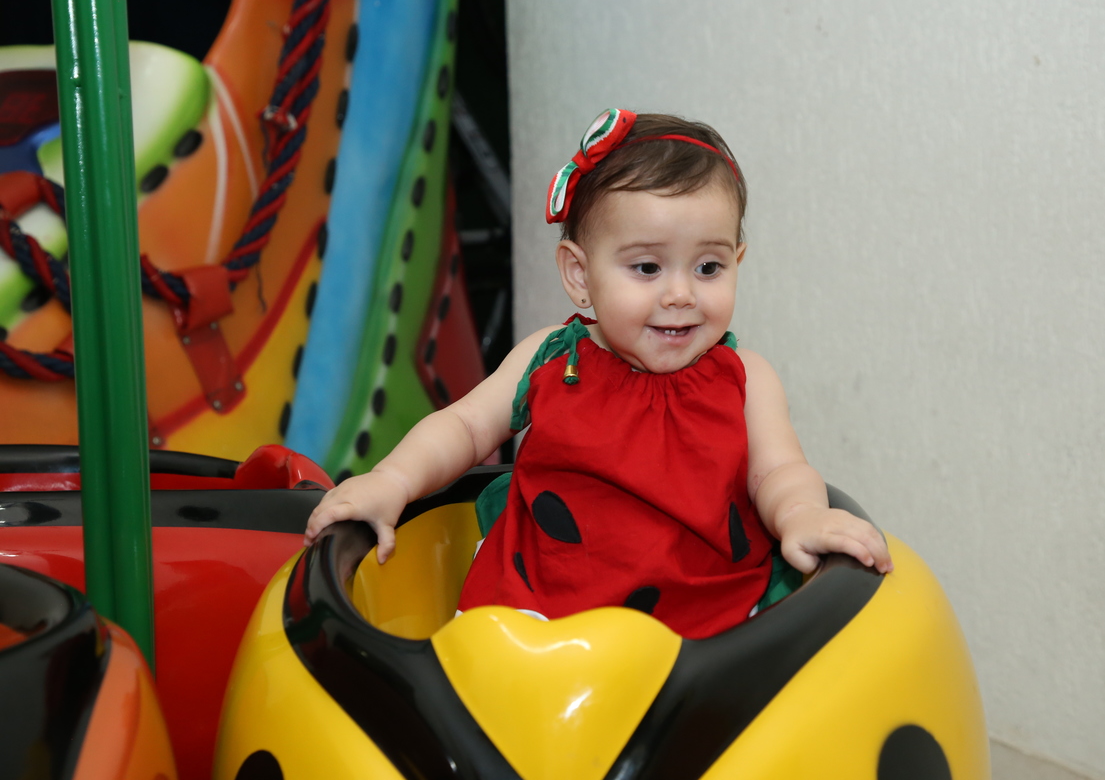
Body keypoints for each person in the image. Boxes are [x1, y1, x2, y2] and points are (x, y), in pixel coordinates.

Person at [304, 108, 892, 638]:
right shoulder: (549, 358)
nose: (681, 294)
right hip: (539, 612)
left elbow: (779, 472)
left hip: (705, 623)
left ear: (737, 262)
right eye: (647, 267)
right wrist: (391, 481)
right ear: (580, 276)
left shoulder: (746, 378)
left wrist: (803, 516)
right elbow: (462, 427)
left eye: (709, 267)